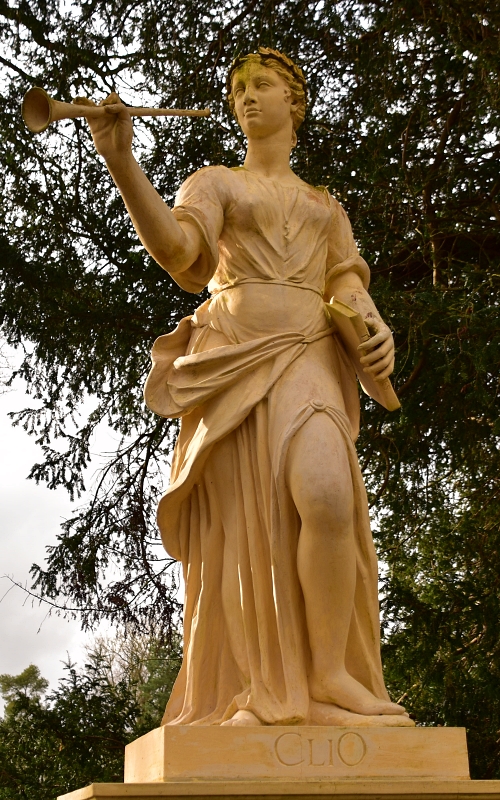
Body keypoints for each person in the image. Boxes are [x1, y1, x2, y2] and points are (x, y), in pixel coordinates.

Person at [83, 47, 412, 727]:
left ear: (295, 103)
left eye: (262, 85)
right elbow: (179, 253)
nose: (246, 96)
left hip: (311, 354)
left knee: (326, 497)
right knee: (250, 533)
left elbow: (345, 279)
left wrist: (375, 326)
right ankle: (267, 685)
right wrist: (121, 160)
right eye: (237, 89)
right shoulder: (216, 183)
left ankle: (328, 673)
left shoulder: (326, 204)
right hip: (235, 359)